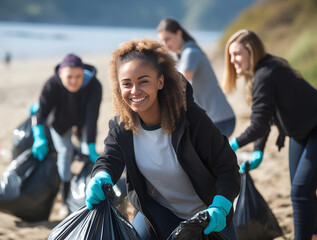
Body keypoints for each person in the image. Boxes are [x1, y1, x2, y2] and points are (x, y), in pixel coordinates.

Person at [84, 38, 240, 240]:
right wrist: (100, 175)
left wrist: (220, 206)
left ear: (160, 81)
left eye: (143, 81)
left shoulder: (192, 120)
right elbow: (109, 159)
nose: (134, 91)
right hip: (159, 212)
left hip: (207, 216)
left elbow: (227, 168)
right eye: (127, 84)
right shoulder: (121, 126)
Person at [223, 29, 317, 240]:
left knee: (300, 192)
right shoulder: (268, 68)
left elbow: (258, 125)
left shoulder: (266, 74)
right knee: (303, 192)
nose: (233, 61)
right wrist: (258, 150)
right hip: (301, 133)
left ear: (251, 51)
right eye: (230, 55)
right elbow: (266, 119)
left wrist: (232, 144)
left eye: (237, 54)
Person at [31, 53, 102, 208]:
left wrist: (90, 146)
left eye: (78, 76)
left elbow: (92, 118)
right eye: (69, 77)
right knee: (65, 151)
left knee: (87, 152)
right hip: (59, 121)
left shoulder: (94, 85)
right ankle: (65, 197)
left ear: (83, 73)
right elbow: (40, 113)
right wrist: (39, 137)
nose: (74, 81)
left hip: (84, 120)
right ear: (60, 74)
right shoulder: (52, 84)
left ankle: (86, 193)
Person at [157, 18, 235, 138]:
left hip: (219, 119)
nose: (166, 45)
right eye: (163, 41)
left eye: (168, 39)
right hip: (220, 117)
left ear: (179, 33)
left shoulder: (190, 53)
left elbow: (179, 84)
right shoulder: (186, 53)